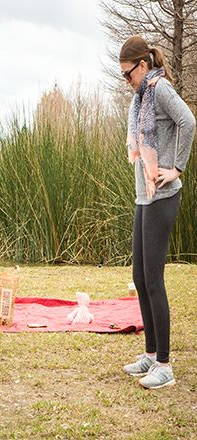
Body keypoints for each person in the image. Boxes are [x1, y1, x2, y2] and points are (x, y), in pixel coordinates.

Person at [119, 36, 196, 389]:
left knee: (153, 279)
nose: (127, 81)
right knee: (139, 277)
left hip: (163, 196)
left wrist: (177, 167)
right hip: (143, 196)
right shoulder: (141, 99)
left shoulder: (160, 88)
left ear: (143, 66)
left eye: (128, 74)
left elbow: (188, 122)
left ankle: (164, 365)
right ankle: (150, 355)